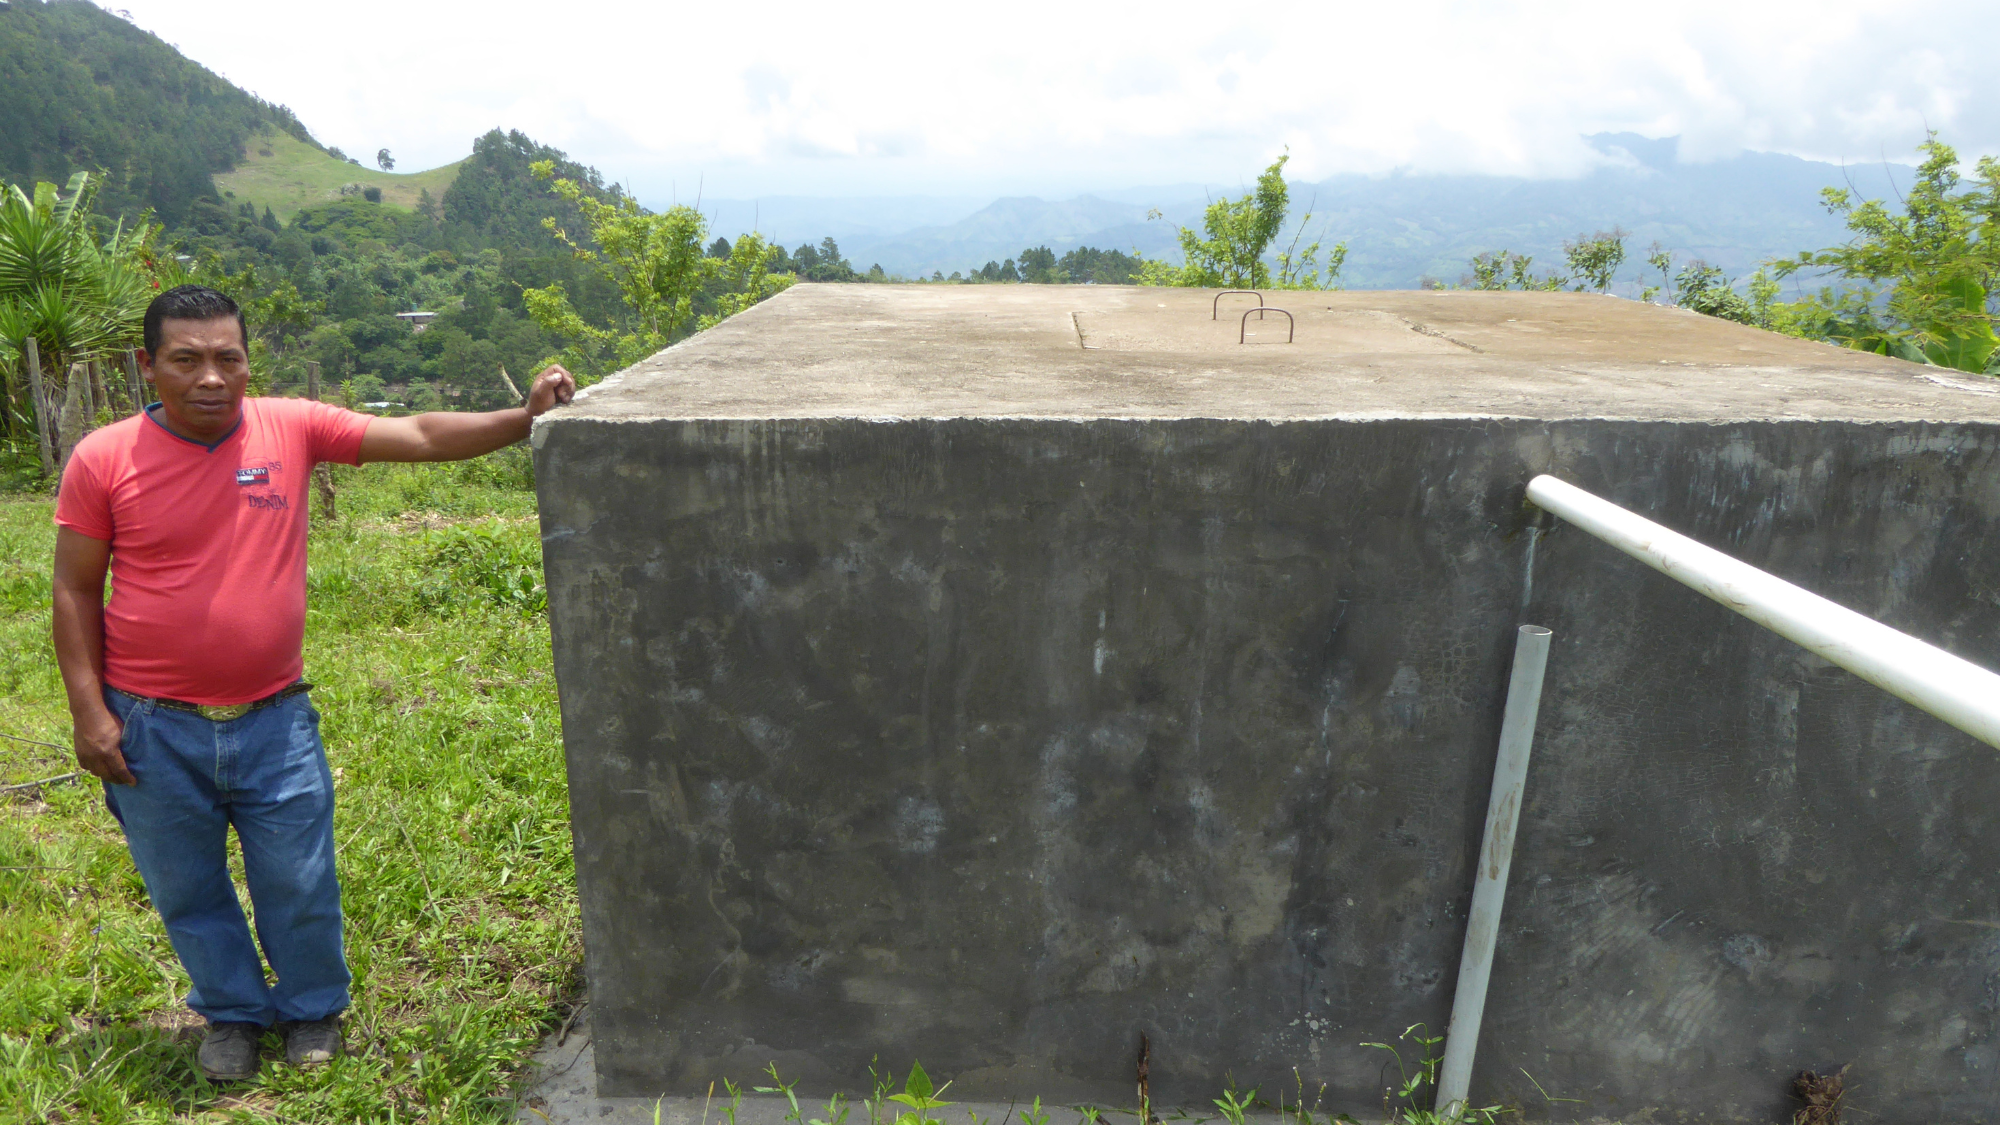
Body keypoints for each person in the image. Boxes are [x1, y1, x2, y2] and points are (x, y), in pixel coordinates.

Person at [49, 285, 575, 1081]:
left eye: (229, 356)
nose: (211, 377)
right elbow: (74, 590)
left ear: (247, 360)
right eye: (186, 359)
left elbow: (424, 432)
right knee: (187, 886)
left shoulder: (289, 426)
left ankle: (312, 1008)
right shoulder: (103, 457)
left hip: (274, 718)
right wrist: (91, 714)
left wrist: (524, 417)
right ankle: (230, 1013)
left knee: (298, 877)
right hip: (151, 722)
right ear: (146, 364)